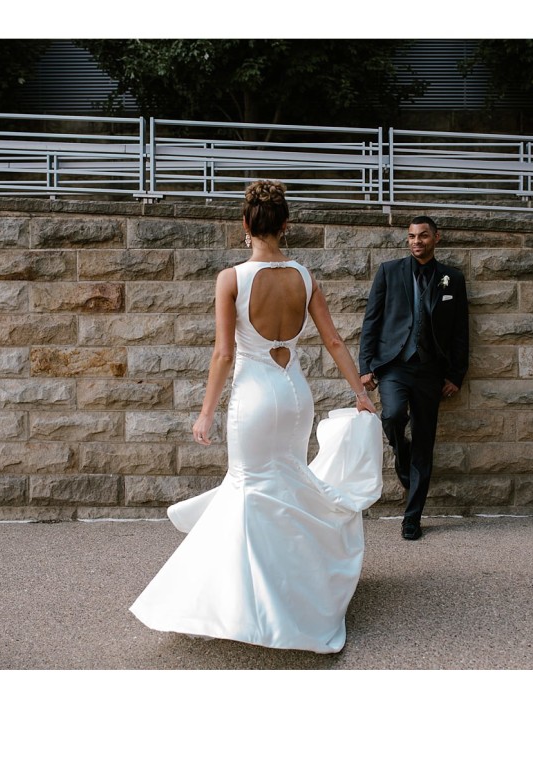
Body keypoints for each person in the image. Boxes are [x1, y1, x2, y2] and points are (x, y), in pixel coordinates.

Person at [129, 180, 382, 654]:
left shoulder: (232, 279)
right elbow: (333, 342)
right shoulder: (305, 277)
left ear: (245, 225)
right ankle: (298, 590)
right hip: (296, 396)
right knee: (287, 485)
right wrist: (359, 394)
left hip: (256, 398)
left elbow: (224, 354)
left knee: (249, 489)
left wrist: (206, 413)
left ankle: (255, 608)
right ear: (285, 225)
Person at [358, 216, 469, 541]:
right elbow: (372, 320)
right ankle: (400, 453)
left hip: (431, 370)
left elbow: (461, 330)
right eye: (411, 236)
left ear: (436, 238)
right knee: (392, 416)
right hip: (394, 364)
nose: (416, 241)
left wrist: (456, 374)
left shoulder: (452, 278)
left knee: (424, 441)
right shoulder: (389, 272)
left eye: (423, 236)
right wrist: (366, 364)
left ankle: (412, 517)